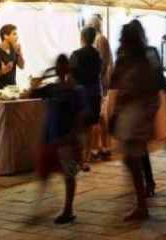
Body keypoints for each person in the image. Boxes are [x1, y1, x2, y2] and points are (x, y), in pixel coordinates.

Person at [109, 22, 163, 221]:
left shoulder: (141, 59)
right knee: (132, 157)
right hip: (134, 113)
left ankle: (141, 202)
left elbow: (147, 86)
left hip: (136, 113)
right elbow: (115, 81)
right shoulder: (131, 58)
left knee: (132, 158)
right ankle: (141, 201)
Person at [123, 19, 166, 199]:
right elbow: (161, 77)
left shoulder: (143, 53)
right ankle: (145, 183)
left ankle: (146, 184)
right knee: (138, 146)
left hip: (144, 104)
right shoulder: (147, 52)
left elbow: (159, 76)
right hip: (146, 103)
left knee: (137, 146)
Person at [30, 54, 85, 225]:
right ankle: (39, 208)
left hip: (65, 137)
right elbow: (32, 92)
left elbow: (80, 115)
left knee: (68, 175)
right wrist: (44, 76)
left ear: (67, 68)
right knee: (44, 173)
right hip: (50, 136)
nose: (60, 69)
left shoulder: (74, 90)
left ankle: (68, 209)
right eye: (58, 66)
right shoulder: (53, 88)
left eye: (62, 66)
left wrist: (75, 135)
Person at [70, 27, 103, 172]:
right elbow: (100, 72)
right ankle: (86, 158)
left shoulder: (76, 54)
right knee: (90, 127)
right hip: (95, 92)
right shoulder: (98, 54)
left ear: (82, 37)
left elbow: (70, 76)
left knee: (79, 127)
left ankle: (78, 158)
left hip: (80, 94)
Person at [90, 14, 113, 160]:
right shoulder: (99, 39)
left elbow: (103, 63)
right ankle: (102, 147)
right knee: (100, 117)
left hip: (100, 84)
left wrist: (97, 77)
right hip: (100, 83)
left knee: (100, 117)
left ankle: (102, 147)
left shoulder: (100, 39)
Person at [0, 24, 25, 92]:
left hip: (13, 90)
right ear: (5, 36)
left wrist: (19, 53)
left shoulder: (14, 50)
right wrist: (2, 72)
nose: (17, 37)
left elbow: (21, 66)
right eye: (14, 34)